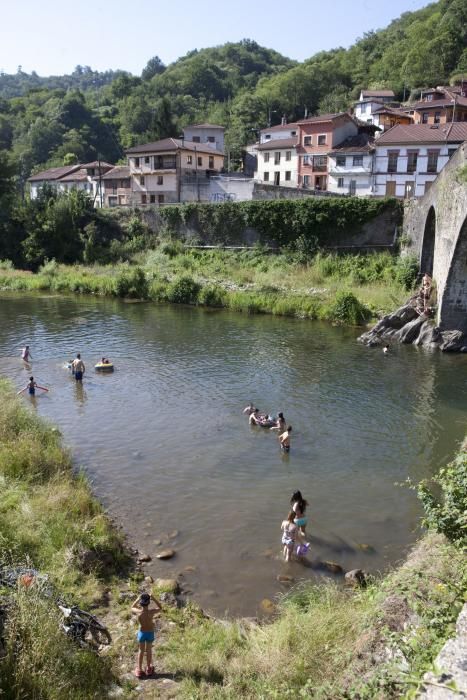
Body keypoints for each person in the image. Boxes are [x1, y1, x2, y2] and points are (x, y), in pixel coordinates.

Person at [131, 592, 163, 678]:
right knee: (149, 650)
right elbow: (160, 607)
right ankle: (149, 668)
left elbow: (132, 607)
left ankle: (139, 670)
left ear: (141, 603)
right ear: (149, 603)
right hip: (150, 633)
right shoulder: (151, 612)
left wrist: (138, 598)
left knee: (141, 651)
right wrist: (153, 598)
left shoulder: (138, 612)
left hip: (142, 633)